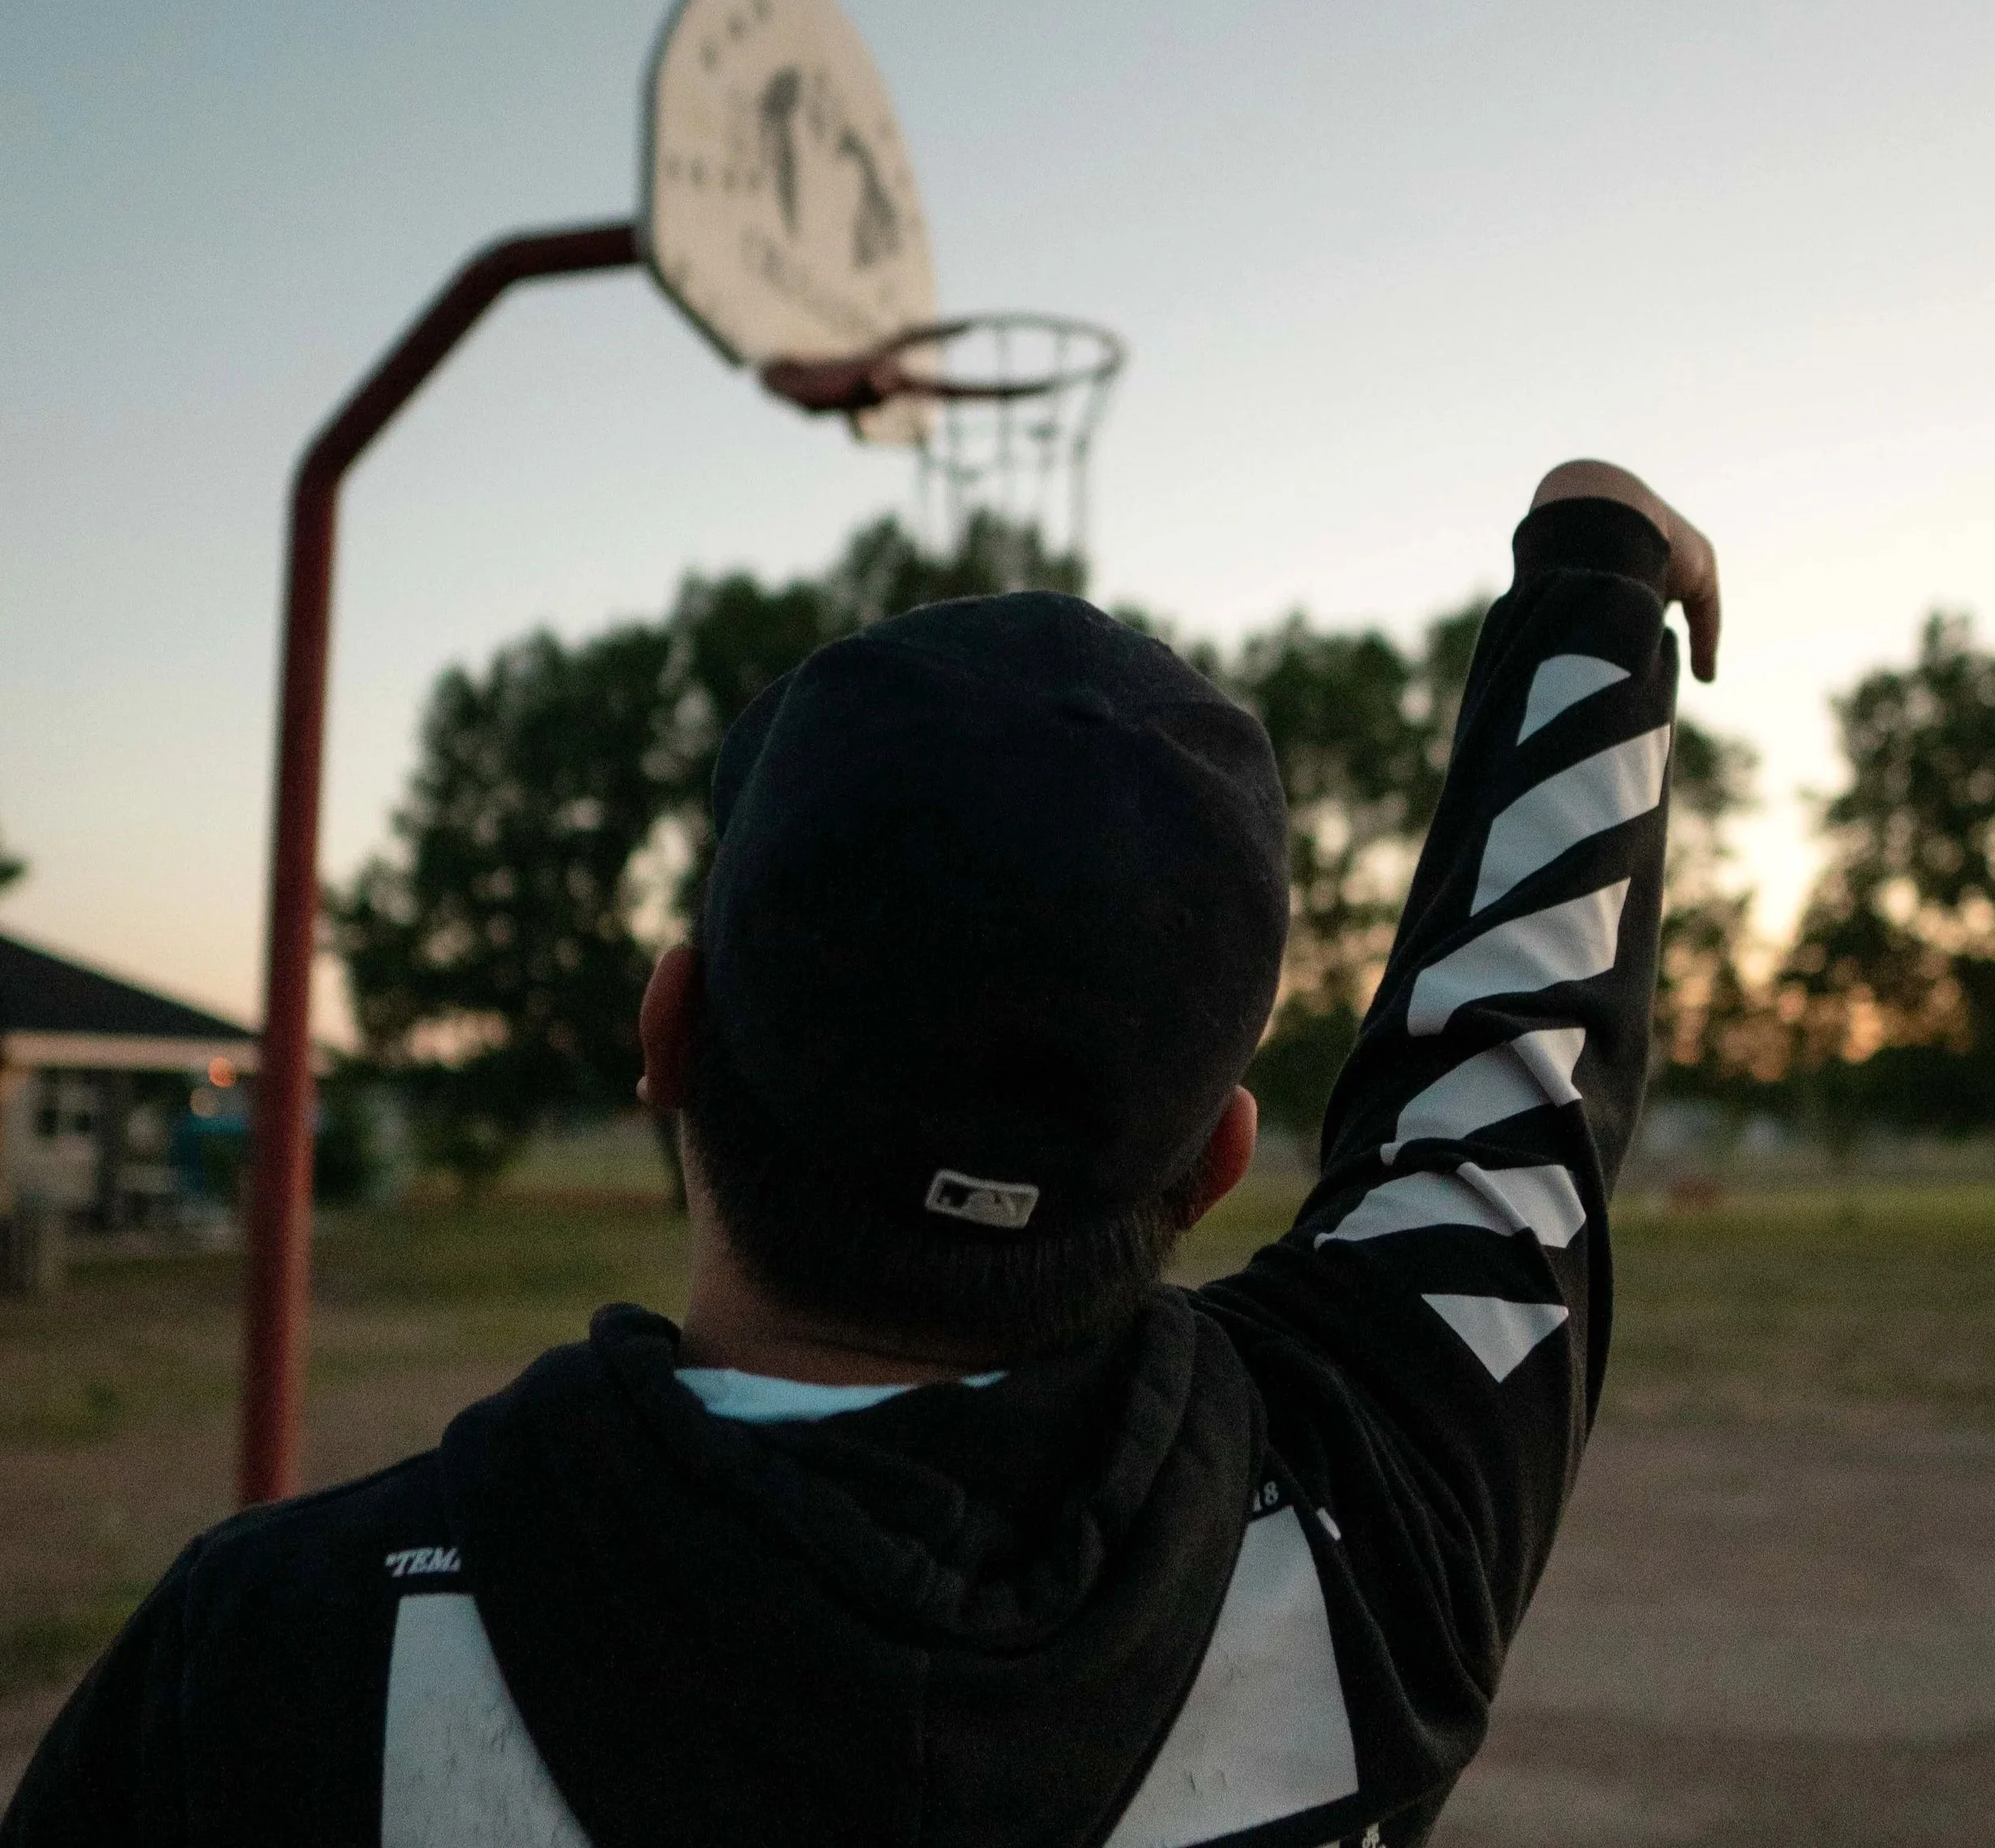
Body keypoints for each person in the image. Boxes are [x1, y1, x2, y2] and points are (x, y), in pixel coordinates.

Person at [3, 461, 1718, 1848]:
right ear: (1211, 1162)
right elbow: (1511, 1060)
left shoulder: (270, 1659)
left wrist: (1596, 566)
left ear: (669, 1033)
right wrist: (1595, 579)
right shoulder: (1372, 1532)